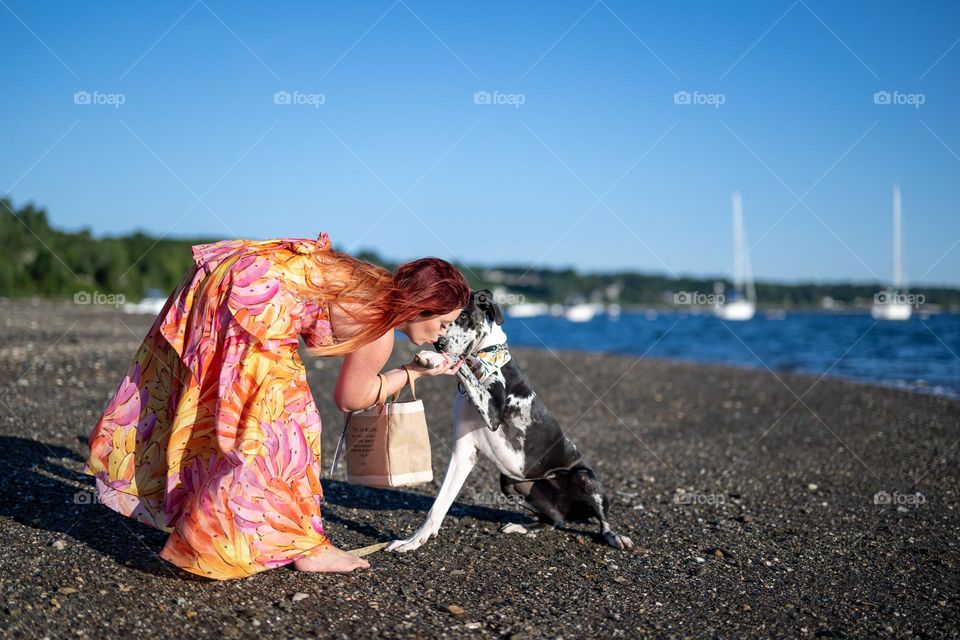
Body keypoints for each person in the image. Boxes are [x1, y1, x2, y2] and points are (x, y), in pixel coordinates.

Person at [82, 232, 470, 580]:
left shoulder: (371, 279)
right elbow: (351, 398)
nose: (443, 335)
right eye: (444, 324)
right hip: (256, 300)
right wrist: (412, 373)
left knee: (217, 407)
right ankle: (286, 546)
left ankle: (195, 508)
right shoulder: (380, 328)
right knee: (291, 429)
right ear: (423, 307)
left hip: (225, 275)